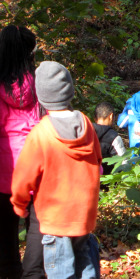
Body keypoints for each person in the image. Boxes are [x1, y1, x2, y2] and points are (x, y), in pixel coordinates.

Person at [10, 61, 102, 278]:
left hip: (56, 218)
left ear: (40, 96)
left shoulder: (41, 133)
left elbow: (23, 178)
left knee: (61, 271)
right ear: (70, 90)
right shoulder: (87, 124)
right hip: (84, 215)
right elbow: (98, 162)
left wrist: (19, 204)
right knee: (84, 265)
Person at [0, 25, 41, 279]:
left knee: (4, 229)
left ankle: (9, 272)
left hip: (4, 167)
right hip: (36, 162)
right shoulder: (39, 83)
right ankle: (32, 273)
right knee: (37, 223)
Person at [93, 101, 126, 175]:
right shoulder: (113, 136)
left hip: (88, 178)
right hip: (109, 182)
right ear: (111, 116)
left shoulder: (85, 131)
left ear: (95, 118)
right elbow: (124, 161)